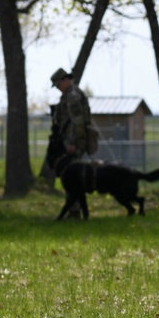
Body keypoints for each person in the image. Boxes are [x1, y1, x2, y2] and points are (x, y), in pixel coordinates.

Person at [50, 67, 92, 217]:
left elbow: (78, 122)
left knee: (72, 177)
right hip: (70, 141)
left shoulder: (73, 96)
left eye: (58, 84)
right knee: (70, 176)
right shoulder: (68, 95)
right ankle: (74, 210)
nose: (58, 88)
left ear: (65, 80)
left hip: (73, 142)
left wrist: (74, 143)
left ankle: (74, 211)